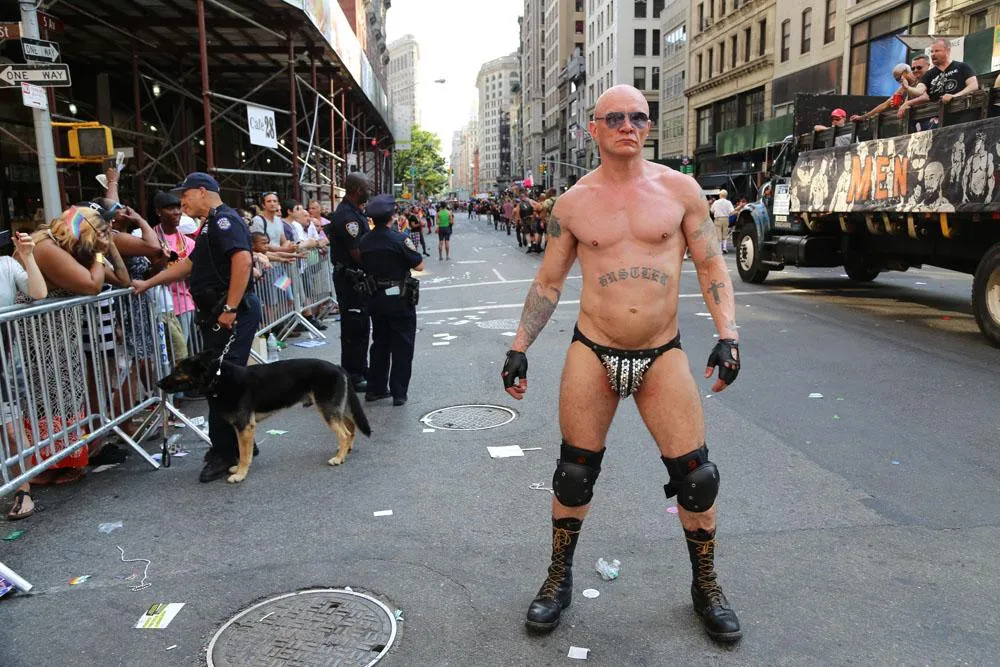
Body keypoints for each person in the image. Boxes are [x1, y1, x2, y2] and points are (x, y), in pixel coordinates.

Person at [500, 84, 742, 643]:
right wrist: (518, 347)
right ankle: (558, 579)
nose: (628, 125)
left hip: (662, 351)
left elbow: (711, 266)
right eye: (615, 118)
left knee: (697, 478)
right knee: (573, 474)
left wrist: (728, 336)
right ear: (594, 129)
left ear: (648, 126)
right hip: (594, 348)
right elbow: (549, 281)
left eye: (638, 117)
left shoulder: (681, 191)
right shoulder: (573, 203)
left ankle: (706, 584)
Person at [133, 172, 261, 483]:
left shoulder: (224, 221)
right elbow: (190, 264)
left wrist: (230, 307)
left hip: (229, 313)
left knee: (220, 382)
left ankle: (224, 453)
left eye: (185, 194)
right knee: (223, 380)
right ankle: (239, 443)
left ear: (202, 191)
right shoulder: (209, 224)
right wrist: (149, 283)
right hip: (218, 313)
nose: (182, 202)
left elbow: (243, 261)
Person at [358, 195, 425, 406]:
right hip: (398, 297)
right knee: (402, 345)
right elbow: (419, 265)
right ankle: (399, 392)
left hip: (375, 297)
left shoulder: (365, 241)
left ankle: (375, 388)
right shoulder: (399, 239)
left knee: (380, 343)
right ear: (392, 216)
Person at [2, 230, 47, 520]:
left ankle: (23, 489)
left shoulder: (6, 264)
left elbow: (38, 293)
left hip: (4, 359)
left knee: (11, 430)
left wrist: (28, 256)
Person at [330, 172, 373, 391]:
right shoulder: (348, 217)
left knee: (361, 326)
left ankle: (360, 368)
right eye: (367, 188)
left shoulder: (355, 212)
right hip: (350, 279)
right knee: (354, 326)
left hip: (355, 278)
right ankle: (353, 375)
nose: (369, 191)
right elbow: (357, 252)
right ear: (358, 190)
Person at [151, 191, 196, 362]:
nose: (177, 212)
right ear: (158, 211)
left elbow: (194, 271)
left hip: (184, 305)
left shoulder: (189, 243)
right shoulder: (147, 238)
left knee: (180, 356)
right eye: (170, 208)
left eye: (178, 208)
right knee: (159, 358)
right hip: (156, 306)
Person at [898, 39, 979, 119]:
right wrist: (907, 87)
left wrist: (954, 96)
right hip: (938, 117)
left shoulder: (962, 67)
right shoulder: (928, 74)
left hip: (962, 114)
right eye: (932, 52)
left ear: (947, 51)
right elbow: (919, 91)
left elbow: (973, 85)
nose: (933, 54)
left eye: (937, 51)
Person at [852, 56, 929, 121]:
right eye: (913, 68)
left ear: (906, 72)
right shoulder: (903, 87)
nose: (915, 70)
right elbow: (884, 105)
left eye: (899, 78)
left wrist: (906, 103)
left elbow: (925, 97)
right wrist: (864, 117)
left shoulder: (922, 80)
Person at [710, 189, 735, 255]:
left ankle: (719, 249)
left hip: (718, 219)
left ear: (720, 195)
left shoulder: (716, 202)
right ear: (726, 195)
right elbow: (732, 211)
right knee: (725, 233)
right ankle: (724, 248)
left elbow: (712, 211)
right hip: (726, 219)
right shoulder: (729, 202)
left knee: (718, 233)